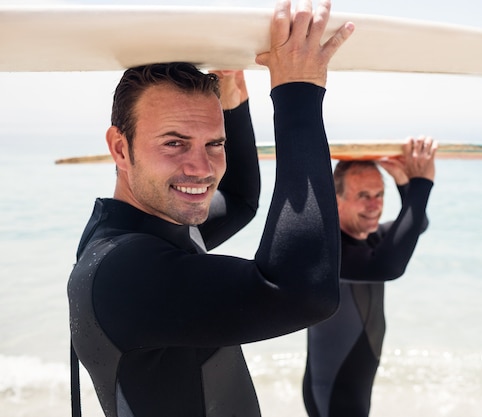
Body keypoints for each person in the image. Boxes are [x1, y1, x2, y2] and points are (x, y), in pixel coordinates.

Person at [67, 1, 354, 416]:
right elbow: (304, 292)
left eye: (214, 144)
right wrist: (298, 96)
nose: (201, 169)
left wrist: (234, 106)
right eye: (174, 142)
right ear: (119, 148)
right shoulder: (123, 270)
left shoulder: (152, 228)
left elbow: (239, 200)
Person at [302, 136, 438, 417]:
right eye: (364, 195)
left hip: (355, 391)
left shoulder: (374, 240)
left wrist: (404, 182)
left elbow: (416, 223)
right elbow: (387, 267)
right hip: (332, 396)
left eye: (379, 195)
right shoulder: (327, 253)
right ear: (335, 200)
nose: (375, 205)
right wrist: (422, 183)